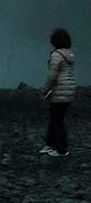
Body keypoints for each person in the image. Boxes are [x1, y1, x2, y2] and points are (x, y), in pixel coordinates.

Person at [40, 27, 76, 157]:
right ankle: (50, 145)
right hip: (69, 89)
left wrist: (45, 90)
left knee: (57, 120)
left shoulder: (56, 55)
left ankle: (61, 149)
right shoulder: (69, 54)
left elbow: (52, 76)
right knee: (55, 118)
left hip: (60, 90)